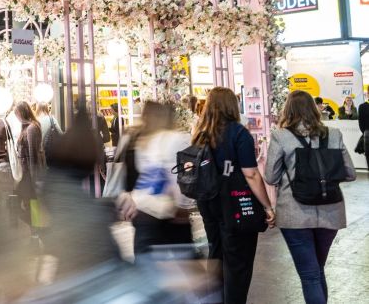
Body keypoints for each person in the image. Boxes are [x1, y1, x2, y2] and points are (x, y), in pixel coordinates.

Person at [265, 91, 356, 304]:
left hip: (294, 214)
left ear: (288, 110)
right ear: (314, 109)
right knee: (316, 271)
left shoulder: (281, 136)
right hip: (330, 211)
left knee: (310, 274)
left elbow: (270, 176)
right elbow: (350, 173)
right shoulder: (334, 134)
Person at [192, 87, 275, 304]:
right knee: (238, 262)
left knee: (216, 254)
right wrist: (267, 206)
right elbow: (251, 174)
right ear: (232, 106)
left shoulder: (200, 133)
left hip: (207, 201)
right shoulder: (239, 133)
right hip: (235, 203)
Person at [114, 101, 194, 255]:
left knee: (147, 264)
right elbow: (177, 175)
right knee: (184, 263)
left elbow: (133, 174)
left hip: (142, 209)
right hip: (167, 211)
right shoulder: (173, 138)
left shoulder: (139, 140)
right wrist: (183, 206)